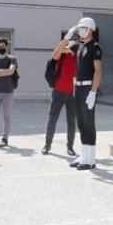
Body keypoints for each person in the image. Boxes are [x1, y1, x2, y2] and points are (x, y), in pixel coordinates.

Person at [70, 17, 103, 171]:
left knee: (88, 123)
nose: (81, 30)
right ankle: (84, 155)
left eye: (83, 28)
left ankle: (90, 159)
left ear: (91, 29)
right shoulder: (81, 46)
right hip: (78, 87)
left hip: (88, 88)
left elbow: (98, 71)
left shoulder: (95, 47)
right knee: (81, 123)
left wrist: (93, 92)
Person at [43, 29, 78, 157]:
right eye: (70, 40)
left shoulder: (78, 53)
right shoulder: (61, 55)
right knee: (52, 119)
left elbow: (73, 49)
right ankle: (47, 145)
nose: (71, 43)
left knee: (71, 121)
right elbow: (54, 55)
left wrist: (67, 47)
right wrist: (65, 40)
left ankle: (70, 147)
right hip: (58, 91)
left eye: (74, 40)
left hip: (73, 93)